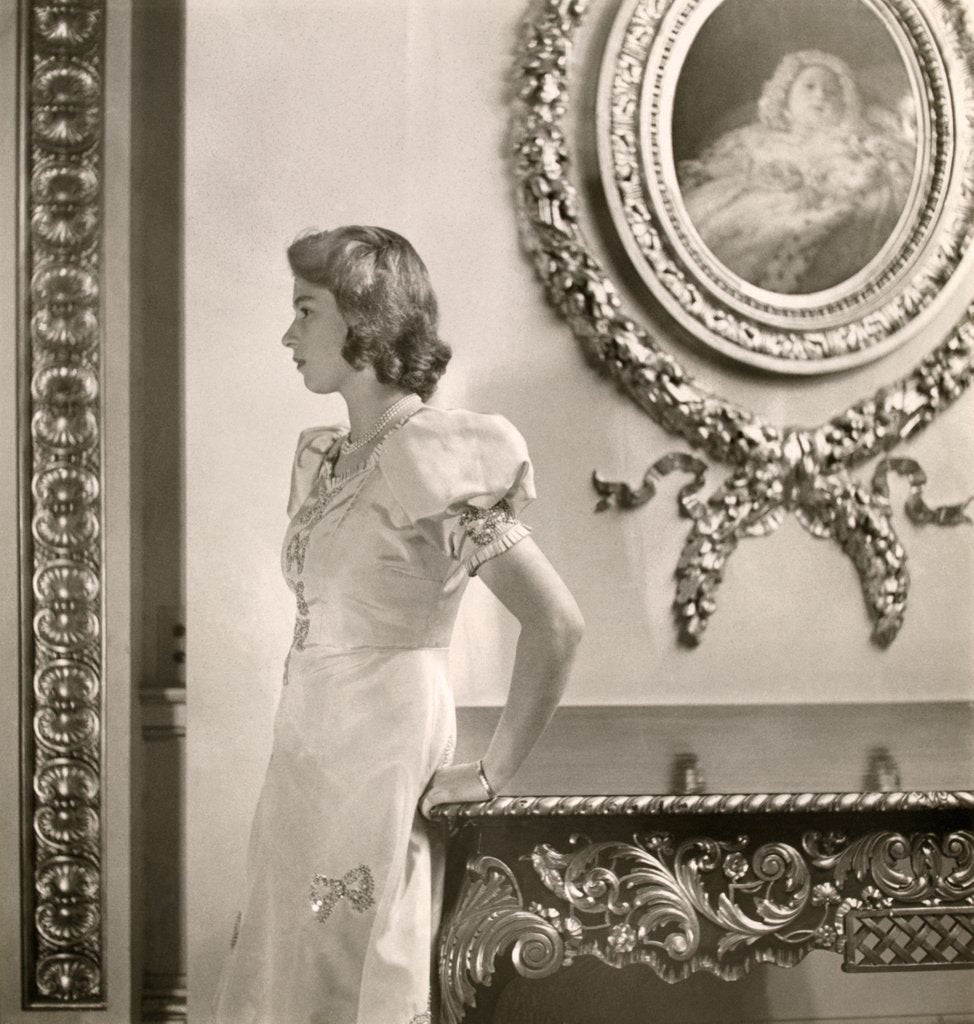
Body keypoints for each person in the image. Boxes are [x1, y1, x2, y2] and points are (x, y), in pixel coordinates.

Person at [212, 225, 584, 1024]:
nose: (288, 334)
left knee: (358, 969)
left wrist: (493, 772)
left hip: (382, 747)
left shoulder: (429, 452)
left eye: (305, 311)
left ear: (361, 317)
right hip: (307, 748)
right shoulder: (328, 456)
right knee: (288, 967)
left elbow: (555, 623)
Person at [677, 50, 916, 294]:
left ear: (847, 104)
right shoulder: (757, 137)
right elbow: (722, 166)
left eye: (832, 91)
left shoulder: (851, 139)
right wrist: (755, 176)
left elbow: (887, 158)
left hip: (820, 202)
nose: (820, 95)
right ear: (784, 97)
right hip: (756, 201)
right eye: (809, 87)